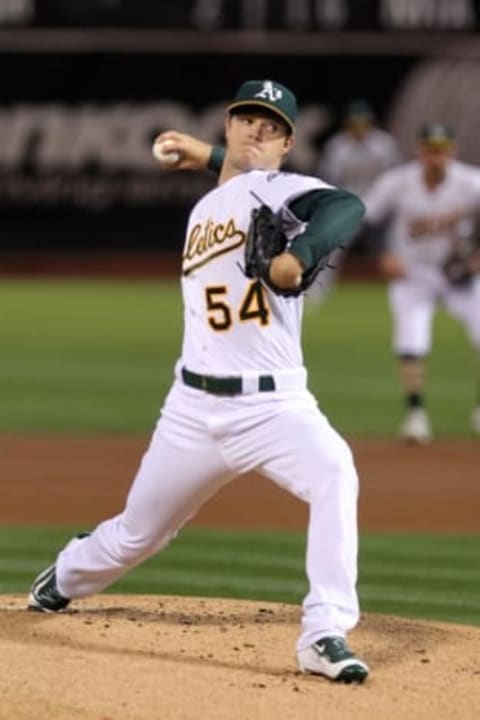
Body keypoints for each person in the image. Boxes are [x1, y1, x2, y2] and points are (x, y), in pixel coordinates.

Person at [28, 79, 369, 683]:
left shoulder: (283, 189)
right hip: (190, 408)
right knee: (136, 535)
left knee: (335, 472)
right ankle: (67, 574)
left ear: (288, 145)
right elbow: (235, 177)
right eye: (248, 120)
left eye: (273, 128)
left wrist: (301, 254)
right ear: (230, 126)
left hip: (276, 406)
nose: (257, 133)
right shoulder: (209, 205)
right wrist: (205, 155)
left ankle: (324, 630)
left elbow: (347, 207)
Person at [363, 122, 480, 442]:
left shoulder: (471, 182)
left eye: (441, 148)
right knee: (411, 341)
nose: (435, 155)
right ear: (419, 150)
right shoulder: (397, 182)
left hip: (459, 276)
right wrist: (383, 254)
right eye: (430, 148)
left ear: (452, 151)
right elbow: (368, 219)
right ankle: (416, 416)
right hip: (412, 274)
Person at [308, 100, 402, 302]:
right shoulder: (338, 146)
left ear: (370, 123)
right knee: (333, 245)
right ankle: (318, 289)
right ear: (349, 124)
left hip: (379, 201)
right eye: (355, 123)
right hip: (349, 203)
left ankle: (407, 288)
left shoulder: (383, 145)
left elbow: (395, 177)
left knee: (397, 243)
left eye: (363, 123)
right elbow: (329, 179)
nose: (359, 128)